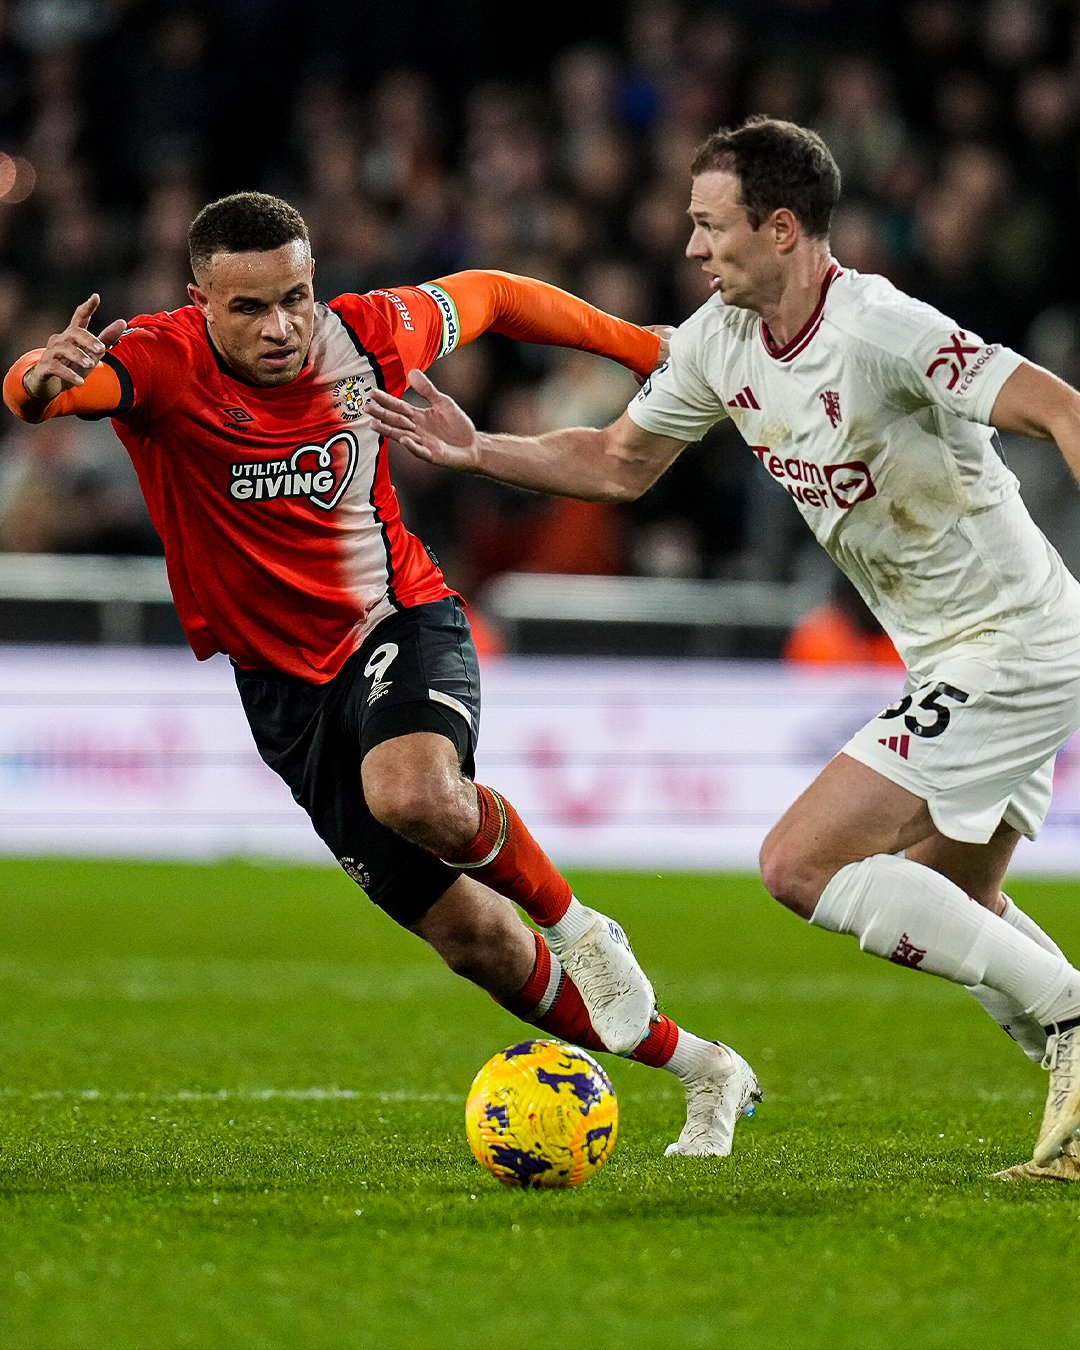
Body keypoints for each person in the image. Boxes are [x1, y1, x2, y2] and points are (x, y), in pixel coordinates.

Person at [366, 115, 1080, 1184]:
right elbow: (617, 462)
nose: (692, 247)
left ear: (783, 229)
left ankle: (1075, 1016)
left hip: (1016, 641)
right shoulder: (718, 340)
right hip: (949, 657)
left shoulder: (881, 328)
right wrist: (478, 451)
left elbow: (1059, 406)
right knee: (959, 902)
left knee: (802, 864)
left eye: (711, 225)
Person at [2, 191, 761, 1159]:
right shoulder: (158, 360)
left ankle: (583, 929)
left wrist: (643, 350)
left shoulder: (369, 332)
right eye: (249, 308)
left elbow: (492, 294)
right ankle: (705, 1068)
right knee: (476, 944)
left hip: (397, 620)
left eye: (297, 296)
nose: (281, 326)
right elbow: (49, 388)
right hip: (281, 688)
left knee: (412, 792)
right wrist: (35, 378)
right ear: (200, 301)